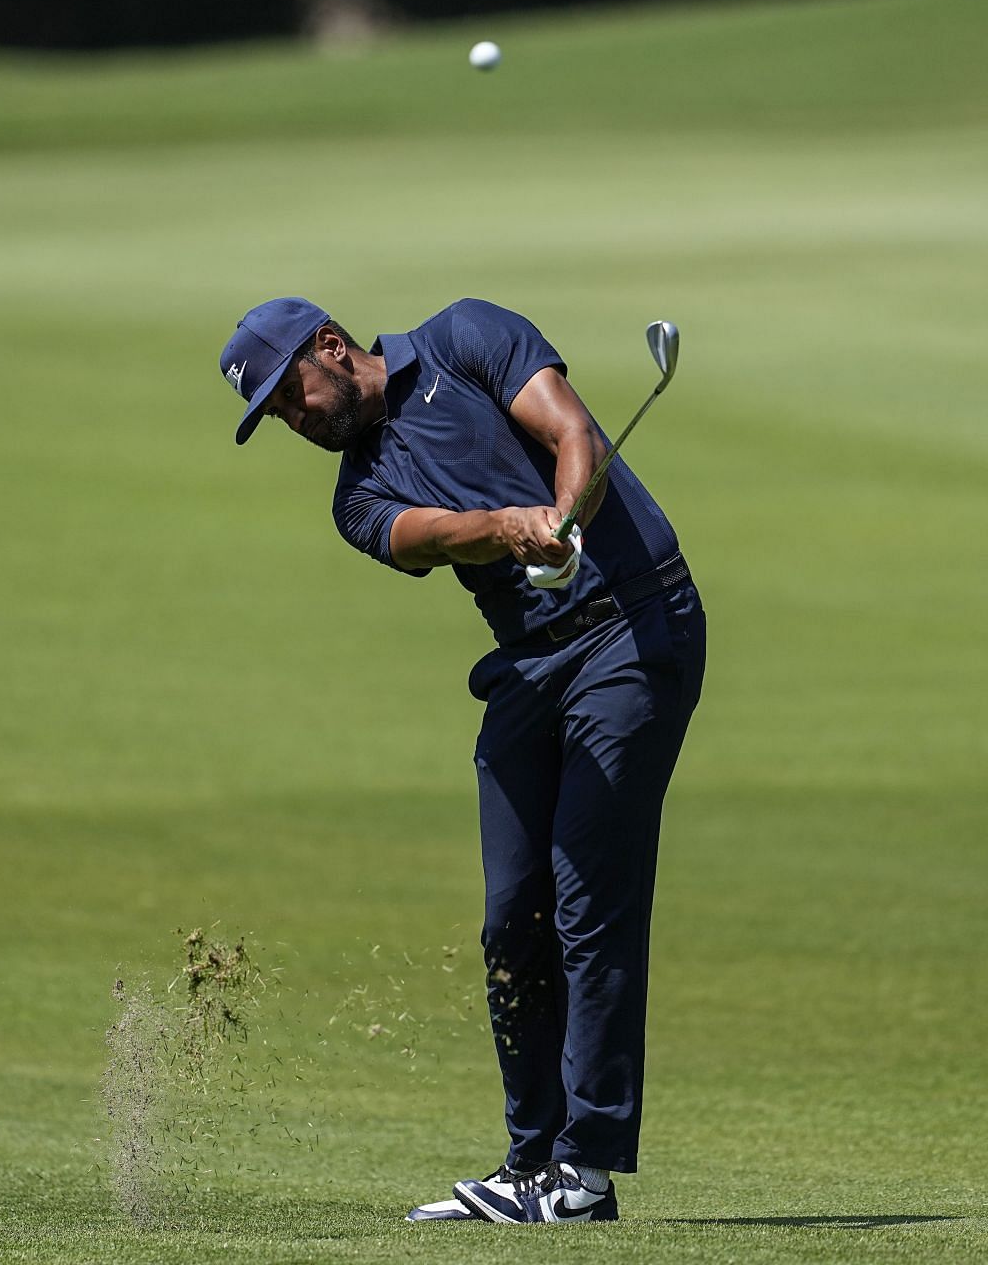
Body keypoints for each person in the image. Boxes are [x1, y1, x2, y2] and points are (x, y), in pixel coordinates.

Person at [217, 296, 705, 1225]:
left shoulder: (464, 338)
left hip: (634, 630)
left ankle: (584, 1170)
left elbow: (573, 433)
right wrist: (513, 530)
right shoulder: (355, 501)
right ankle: (532, 1163)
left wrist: (563, 516)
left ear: (330, 345)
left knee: (585, 898)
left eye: (291, 396)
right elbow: (432, 536)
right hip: (529, 663)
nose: (296, 419)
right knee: (509, 914)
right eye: (276, 415)